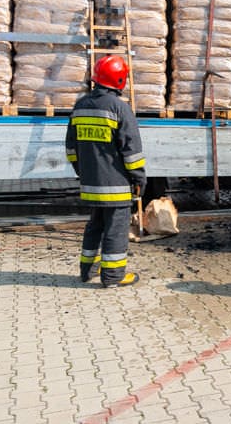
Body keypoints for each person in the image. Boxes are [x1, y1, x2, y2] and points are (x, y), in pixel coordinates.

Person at [65, 55, 145, 288]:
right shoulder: (119, 108)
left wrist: (83, 172)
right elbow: (132, 153)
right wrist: (139, 179)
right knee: (116, 230)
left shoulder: (80, 106)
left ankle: (86, 271)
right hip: (116, 184)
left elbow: (71, 147)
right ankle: (112, 277)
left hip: (90, 183)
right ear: (120, 80)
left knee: (95, 226)